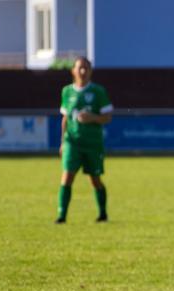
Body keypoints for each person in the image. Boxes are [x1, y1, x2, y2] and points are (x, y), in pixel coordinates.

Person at [56, 57, 113, 223]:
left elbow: (107, 117)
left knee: (95, 180)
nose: (83, 71)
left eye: (86, 68)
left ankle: (103, 214)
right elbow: (65, 118)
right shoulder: (66, 91)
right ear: (73, 71)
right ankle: (61, 216)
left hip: (92, 143)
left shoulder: (98, 92)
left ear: (90, 71)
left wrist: (92, 117)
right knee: (67, 176)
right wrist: (62, 142)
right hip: (72, 142)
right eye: (80, 68)